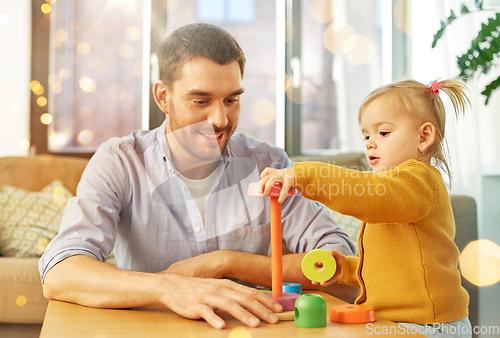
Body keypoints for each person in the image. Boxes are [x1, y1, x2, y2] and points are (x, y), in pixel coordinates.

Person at [39, 23, 357, 330]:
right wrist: (169, 287)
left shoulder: (268, 163)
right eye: (201, 101)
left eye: (231, 99)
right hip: (149, 329)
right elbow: (60, 272)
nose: (220, 119)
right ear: (163, 97)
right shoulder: (121, 161)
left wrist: (225, 262)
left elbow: (342, 265)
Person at [258, 79, 472, 337]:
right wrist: (346, 269)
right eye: (366, 135)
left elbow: (368, 194)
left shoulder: (418, 181)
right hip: (396, 321)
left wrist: (305, 175)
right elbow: (389, 266)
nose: (370, 143)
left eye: (383, 133)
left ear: (424, 136)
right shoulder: (395, 190)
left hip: (428, 325)